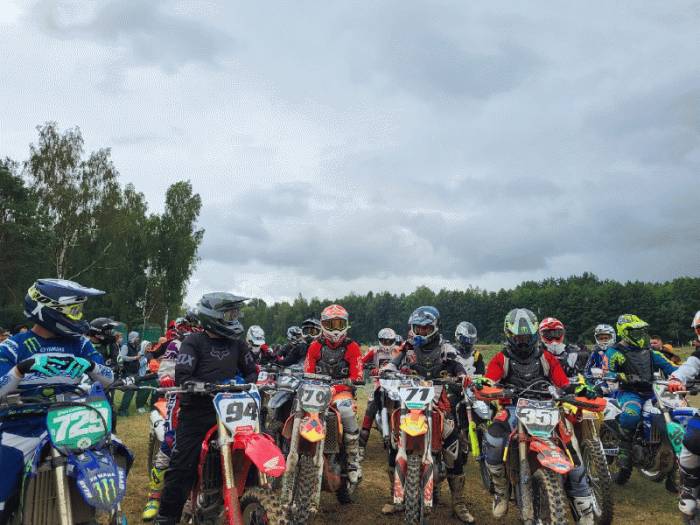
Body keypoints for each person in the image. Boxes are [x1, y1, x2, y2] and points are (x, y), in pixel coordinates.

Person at [0, 278, 114, 523]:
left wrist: (91, 365)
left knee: (115, 454)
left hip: (71, 422)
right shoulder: (14, 346)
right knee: (3, 482)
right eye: (74, 310)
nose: (79, 316)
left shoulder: (80, 343)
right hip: (23, 427)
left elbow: (109, 378)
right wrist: (20, 369)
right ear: (48, 309)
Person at [480, 308, 597, 523]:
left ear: (535, 334)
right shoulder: (501, 359)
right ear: (509, 335)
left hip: (547, 407)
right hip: (513, 407)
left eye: (527, 337)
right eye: (518, 337)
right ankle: (501, 491)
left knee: (571, 446)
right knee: (494, 438)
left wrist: (580, 388)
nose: (523, 341)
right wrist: (484, 384)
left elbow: (563, 382)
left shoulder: (546, 357)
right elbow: (489, 380)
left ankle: (583, 502)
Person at [154, 292, 256, 525]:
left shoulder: (238, 344)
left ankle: (249, 500)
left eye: (235, 314)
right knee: (182, 465)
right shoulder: (193, 341)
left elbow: (252, 370)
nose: (234, 318)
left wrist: (248, 382)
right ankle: (167, 517)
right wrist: (199, 386)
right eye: (229, 314)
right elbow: (183, 375)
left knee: (250, 453)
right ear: (213, 316)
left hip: (232, 411)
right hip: (198, 411)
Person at [382, 306, 474, 522]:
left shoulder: (445, 347)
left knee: (452, 442)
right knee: (395, 442)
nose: (421, 332)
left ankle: (458, 503)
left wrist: (461, 376)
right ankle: (396, 496)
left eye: (426, 328)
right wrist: (387, 370)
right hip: (409, 400)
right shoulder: (408, 347)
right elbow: (394, 362)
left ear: (435, 328)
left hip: (437, 400)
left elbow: (457, 365)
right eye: (418, 328)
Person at [605, 314, 677, 481]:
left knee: (673, 410)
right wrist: (621, 376)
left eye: (641, 331)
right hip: (629, 392)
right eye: (635, 331)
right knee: (631, 415)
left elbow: (671, 367)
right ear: (625, 332)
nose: (640, 334)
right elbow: (607, 371)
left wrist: (685, 375)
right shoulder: (615, 351)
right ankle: (624, 451)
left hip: (653, 392)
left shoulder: (650, 352)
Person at [304, 304, 364, 487]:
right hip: (318, 391)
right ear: (323, 325)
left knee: (346, 411)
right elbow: (307, 373)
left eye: (339, 324)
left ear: (346, 324)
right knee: (301, 411)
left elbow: (357, 376)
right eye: (331, 324)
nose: (336, 329)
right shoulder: (315, 346)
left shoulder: (352, 347)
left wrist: (337, 387)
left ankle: (353, 460)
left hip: (342, 391)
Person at [667, 310, 700, 520]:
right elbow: (687, 369)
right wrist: (676, 379)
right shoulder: (698, 355)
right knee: (693, 437)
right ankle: (689, 486)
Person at [358, 327, 399, 454]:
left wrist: (405, 369)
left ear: (394, 341)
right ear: (380, 340)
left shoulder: (398, 351)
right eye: (384, 341)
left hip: (395, 384)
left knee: (403, 406)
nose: (387, 344)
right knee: (370, 407)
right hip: (378, 383)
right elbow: (360, 362)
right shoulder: (374, 351)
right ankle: (361, 446)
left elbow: (407, 363)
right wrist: (370, 369)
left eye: (389, 341)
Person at [117, 331, 142, 416]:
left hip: (135, 371)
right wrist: (135, 357)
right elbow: (122, 357)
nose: (138, 339)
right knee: (129, 391)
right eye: (137, 337)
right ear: (133, 338)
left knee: (132, 391)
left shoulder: (135, 346)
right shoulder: (125, 346)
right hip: (128, 372)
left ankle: (125, 409)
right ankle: (122, 411)